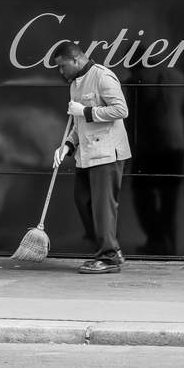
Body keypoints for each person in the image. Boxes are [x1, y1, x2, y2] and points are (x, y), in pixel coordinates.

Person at [52, 42, 131, 274]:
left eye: (63, 66)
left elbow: (121, 110)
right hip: (86, 155)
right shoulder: (75, 85)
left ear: (76, 59)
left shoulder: (103, 76)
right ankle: (110, 251)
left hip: (106, 154)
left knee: (102, 207)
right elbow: (78, 125)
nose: (61, 71)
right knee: (83, 201)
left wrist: (85, 111)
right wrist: (67, 146)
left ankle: (108, 259)